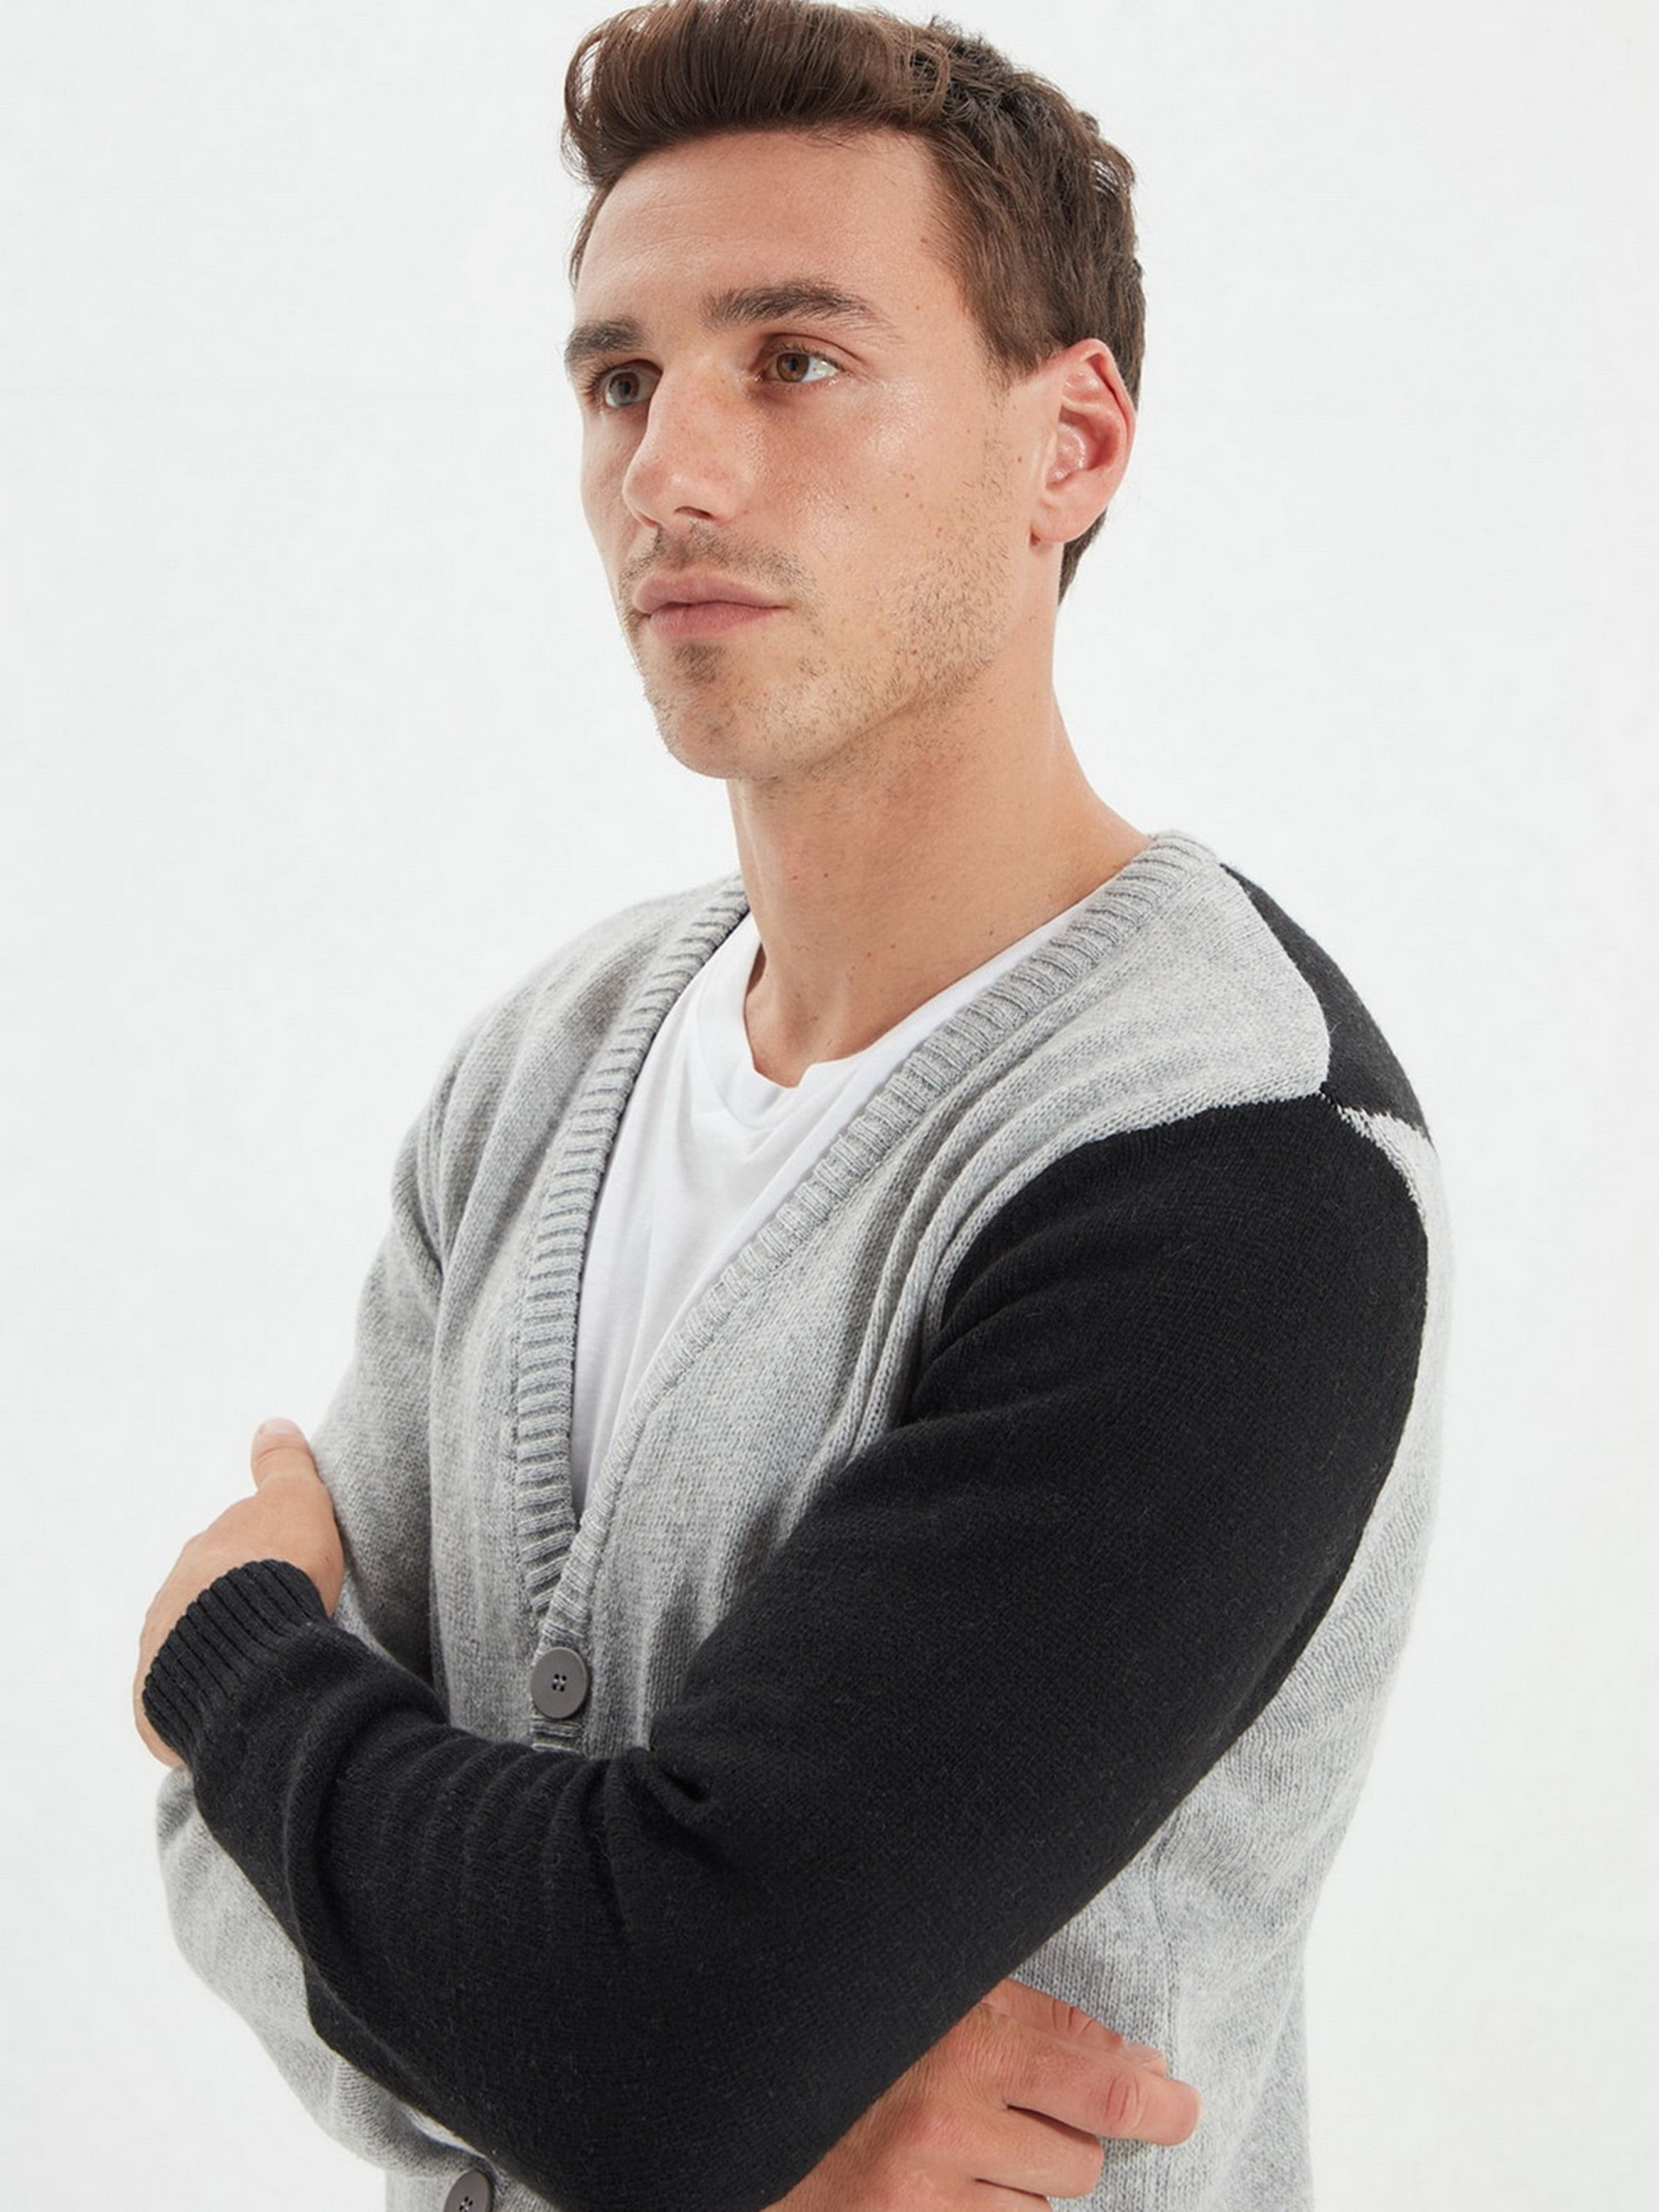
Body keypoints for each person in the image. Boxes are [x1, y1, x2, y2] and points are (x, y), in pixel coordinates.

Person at [134, 4, 1448, 2210]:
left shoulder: (1231, 1164)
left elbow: (637, 2029)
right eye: (619, 381)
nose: (673, 473)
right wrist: (666, 2098)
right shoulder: (539, 1067)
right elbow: (244, 1880)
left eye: (797, 361)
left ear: (1070, 445)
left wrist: (227, 1657)